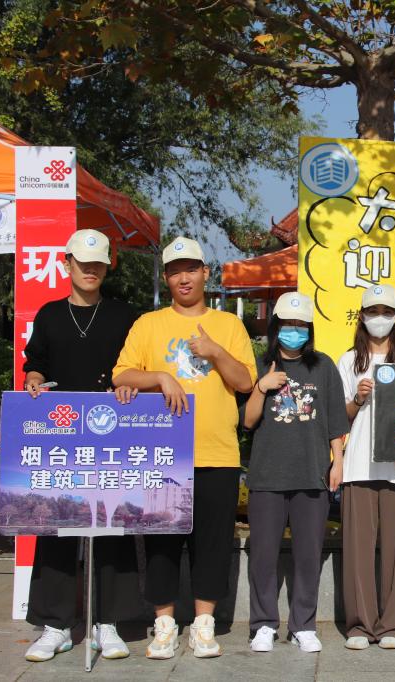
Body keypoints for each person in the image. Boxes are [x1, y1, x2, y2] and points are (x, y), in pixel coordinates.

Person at [113, 236, 256, 660]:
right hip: (163, 455)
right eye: (175, 271)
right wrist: (160, 377)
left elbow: (245, 381)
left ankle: (204, 625)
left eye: (191, 269)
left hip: (217, 453)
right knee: (161, 543)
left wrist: (214, 352)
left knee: (212, 544)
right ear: (166, 278)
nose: (184, 278)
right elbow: (122, 375)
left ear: (205, 273)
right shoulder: (148, 324)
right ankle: (164, 625)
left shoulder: (228, 325)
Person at [21, 229, 140, 663]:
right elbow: (35, 364)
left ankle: (108, 622)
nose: (90, 270)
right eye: (82, 262)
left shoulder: (126, 315)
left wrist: (129, 384)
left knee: (111, 524)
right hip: (62, 437)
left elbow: (137, 366)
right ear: (66, 262)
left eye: (98, 264)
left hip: (114, 437)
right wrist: (34, 380)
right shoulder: (50, 314)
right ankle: (55, 625)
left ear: (108, 267)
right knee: (56, 524)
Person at [244, 292, 348, 654]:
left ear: (309, 329)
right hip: (267, 476)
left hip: (312, 474)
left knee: (308, 555)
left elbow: (336, 420)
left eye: (301, 325)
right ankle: (263, 624)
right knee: (263, 554)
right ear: (276, 327)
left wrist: (337, 461)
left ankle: (303, 625)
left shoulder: (324, 366)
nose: (294, 331)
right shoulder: (261, 364)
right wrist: (262, 387)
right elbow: (248, 421)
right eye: (288, 324)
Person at [338, 284, 395, 651]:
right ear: (362, 316)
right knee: (357, 550)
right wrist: (358, 398)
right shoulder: (347, 361)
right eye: (373, 311)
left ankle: (393, 625)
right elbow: (339, 418)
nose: (380, 318)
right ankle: (360, 625)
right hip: (358, 465)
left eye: (387, 311)